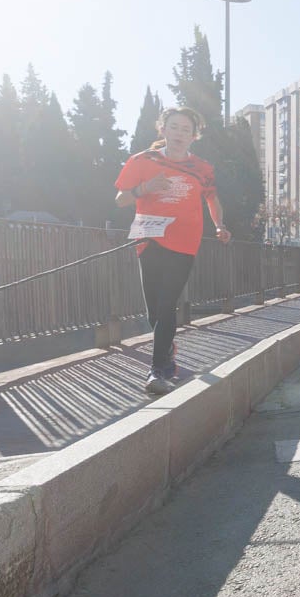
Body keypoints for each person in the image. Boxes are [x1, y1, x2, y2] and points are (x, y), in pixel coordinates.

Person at [113, 106, 231, 395]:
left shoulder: (202, 168)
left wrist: (219, 225)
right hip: (149, 239)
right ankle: (166, 350)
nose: (179, 134)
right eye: (174, 127)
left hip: (184, 242)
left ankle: (157, 371)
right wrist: (145, 188)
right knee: (154, 310)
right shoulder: (142, 160)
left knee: (167, 305)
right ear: (163, 129)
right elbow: (120, 200)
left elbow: (212, 199)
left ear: (194, 136)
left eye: (186, 130)